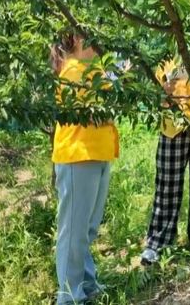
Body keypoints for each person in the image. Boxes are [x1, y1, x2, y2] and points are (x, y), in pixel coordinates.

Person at [50, 31, 119, 304]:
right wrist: (118, 83)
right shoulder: (74, 70)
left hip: (96, 154)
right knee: (73, 231)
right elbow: (95, 110)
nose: (99, 45)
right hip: (79, 156)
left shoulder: (94, 69)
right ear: (78, 41)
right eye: (92, 39)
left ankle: (86, 285)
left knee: (86, 229)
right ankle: (68, 297)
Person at [139, 58, 190, 265]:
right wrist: (162, 93)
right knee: (167, 187)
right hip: (172, 128)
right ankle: (158, 242)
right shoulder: (167, 60)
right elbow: (154, 93)